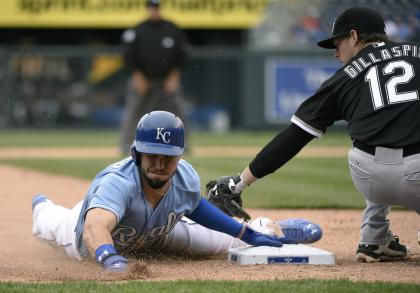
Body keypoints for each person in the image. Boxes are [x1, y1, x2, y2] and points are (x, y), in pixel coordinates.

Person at [208, 6, 420, 263]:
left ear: (354, 36)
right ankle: (376, 238)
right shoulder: (416, 54)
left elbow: (294, 137)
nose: (335, 53)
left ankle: (374, 239)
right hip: (416, 176)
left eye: (337, 43)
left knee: (370, 139)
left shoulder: (342, 79)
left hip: (368, 175)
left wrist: (238, 182)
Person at [32, 111, 320, 273]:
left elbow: (195, 207)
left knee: (231, 245)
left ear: (179, 157)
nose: (159, 164)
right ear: (137, 154)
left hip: (159, 232)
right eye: (152, 155)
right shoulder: (118, 183)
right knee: (46, 223)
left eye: (167, 157)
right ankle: (42, 205)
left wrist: (244, 233)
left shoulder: (184, 177)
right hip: (80, 236)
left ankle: (270, 229)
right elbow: (94, 227)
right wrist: (109, 258)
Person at [119, 0, 189, 154]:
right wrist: (138, 77)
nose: (154, 10)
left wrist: (173, 77)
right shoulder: (137, 30)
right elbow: (128, 56)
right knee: (134, 112)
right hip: (142, 78)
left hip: (166, 78)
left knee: (177, 112)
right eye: (151, 7)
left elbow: (181, 55)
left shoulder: (172, 29)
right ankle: (126, 146)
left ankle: (183, 145)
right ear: (147, 8)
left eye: (156, 7)